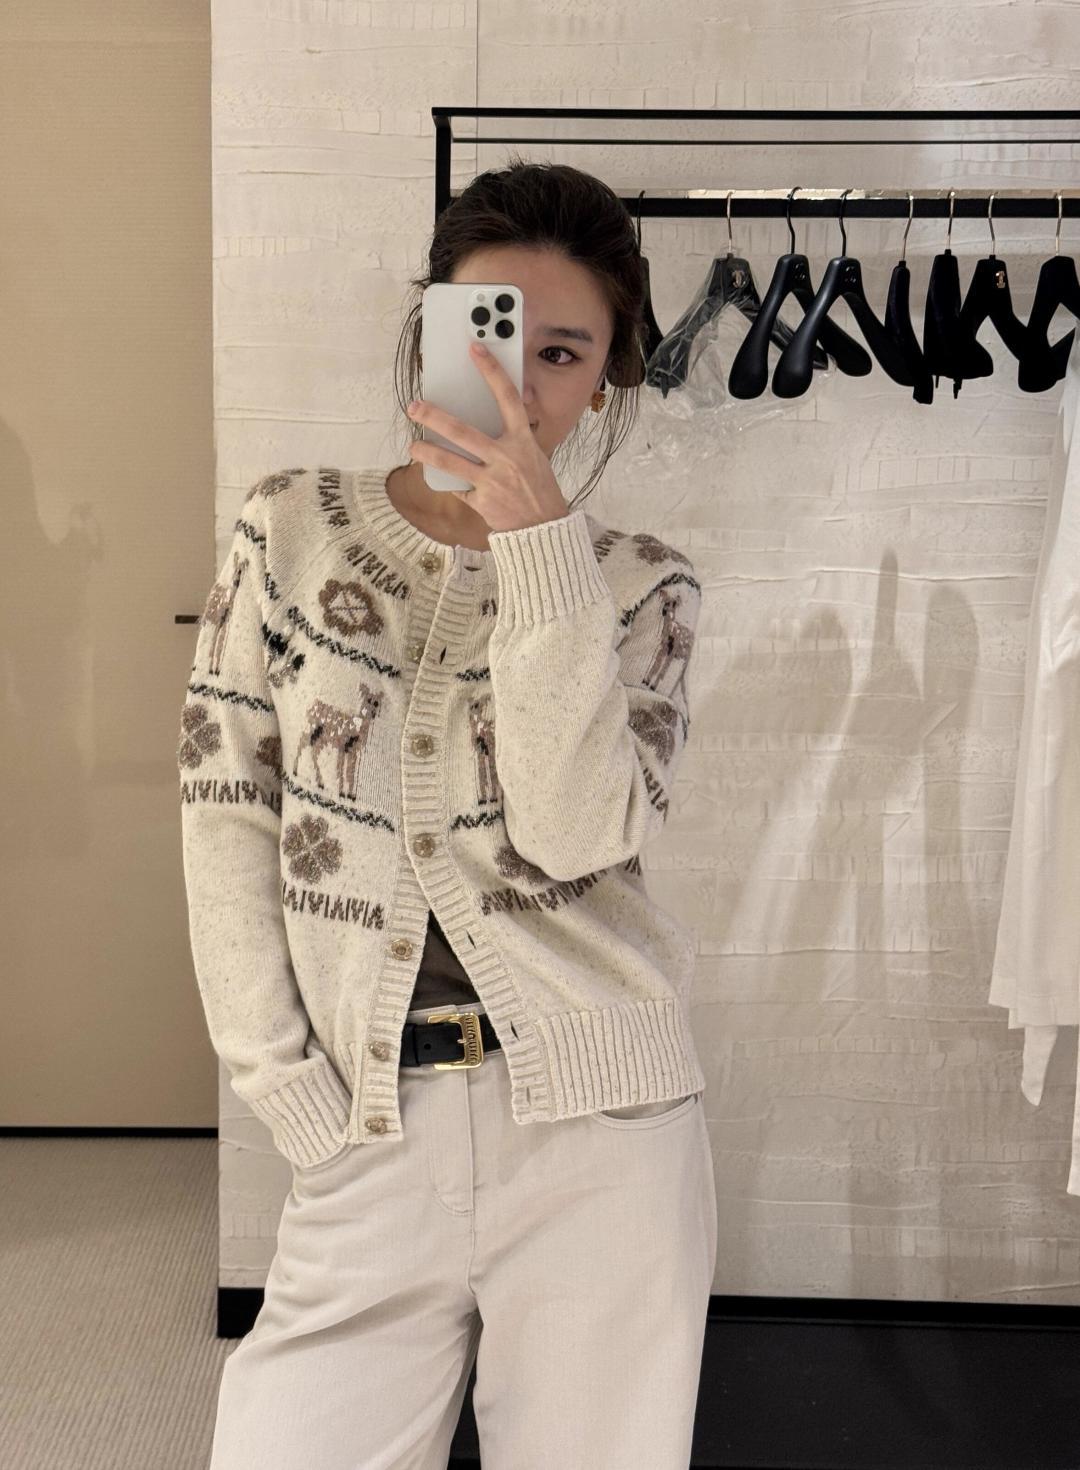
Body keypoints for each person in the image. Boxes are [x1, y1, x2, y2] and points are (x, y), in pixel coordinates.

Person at [184, 154, 717, 1470]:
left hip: (603, 1138)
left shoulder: (642, 587)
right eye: (486, 334)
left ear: (606, 382)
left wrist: (539, 551)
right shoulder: (286, 531)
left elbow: (575, 832)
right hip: (367, 1126)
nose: (515, 386)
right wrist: (287, 1088)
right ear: (426, 325)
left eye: (561, 354)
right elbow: (225, 812)